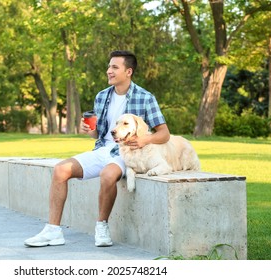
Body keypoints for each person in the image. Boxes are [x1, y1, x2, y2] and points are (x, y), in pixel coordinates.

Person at [24, 50, 170, 247]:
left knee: (108, 175)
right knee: (61, 170)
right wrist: (89, 130)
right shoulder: (102, 97)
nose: (109, 71)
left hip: (127, 153)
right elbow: (99, 134)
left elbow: (164, 134)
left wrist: (144, 140)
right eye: (109, 66)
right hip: (102, 149)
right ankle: (53, 231)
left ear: (128, 72)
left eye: (114, 67)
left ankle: (101, 226)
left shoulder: (145, 97)